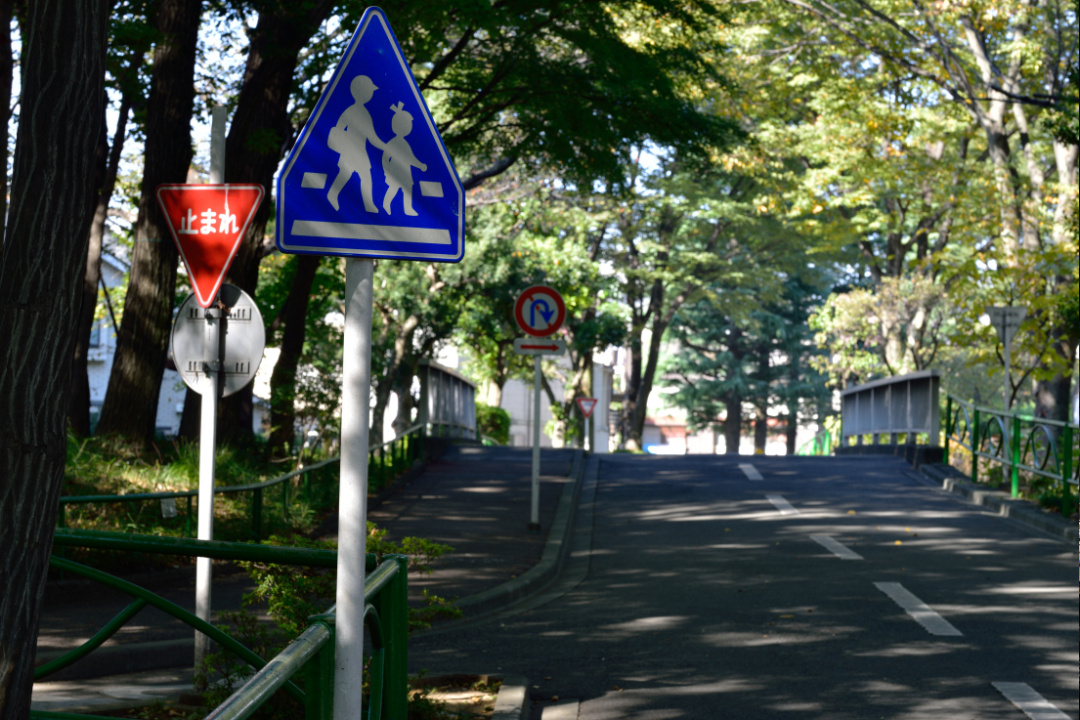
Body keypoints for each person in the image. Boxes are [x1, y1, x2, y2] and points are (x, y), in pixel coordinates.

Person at [327, 75, 386, 213]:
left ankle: (334, 194)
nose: (371, 94)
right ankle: (367, 204)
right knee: (361, 175)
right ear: (362, 92)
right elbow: (371, 137)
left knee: (353, 174)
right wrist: (386, 147)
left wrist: (385, 147)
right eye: (369, 91)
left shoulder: (360, 112)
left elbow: (370, 137)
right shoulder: (356, 111)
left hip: (358, 150)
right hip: (352, 150)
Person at [381, 102, 427, 216]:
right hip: (395, 171)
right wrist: (386, 171)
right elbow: (385, 157)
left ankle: (408, 208)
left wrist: (420, 165)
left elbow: (410, 158)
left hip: (405, 172)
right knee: (393, 188)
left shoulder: (404, 143)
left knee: (408, 189)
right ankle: (386, 204)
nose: (408, 128)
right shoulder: (393, 142)